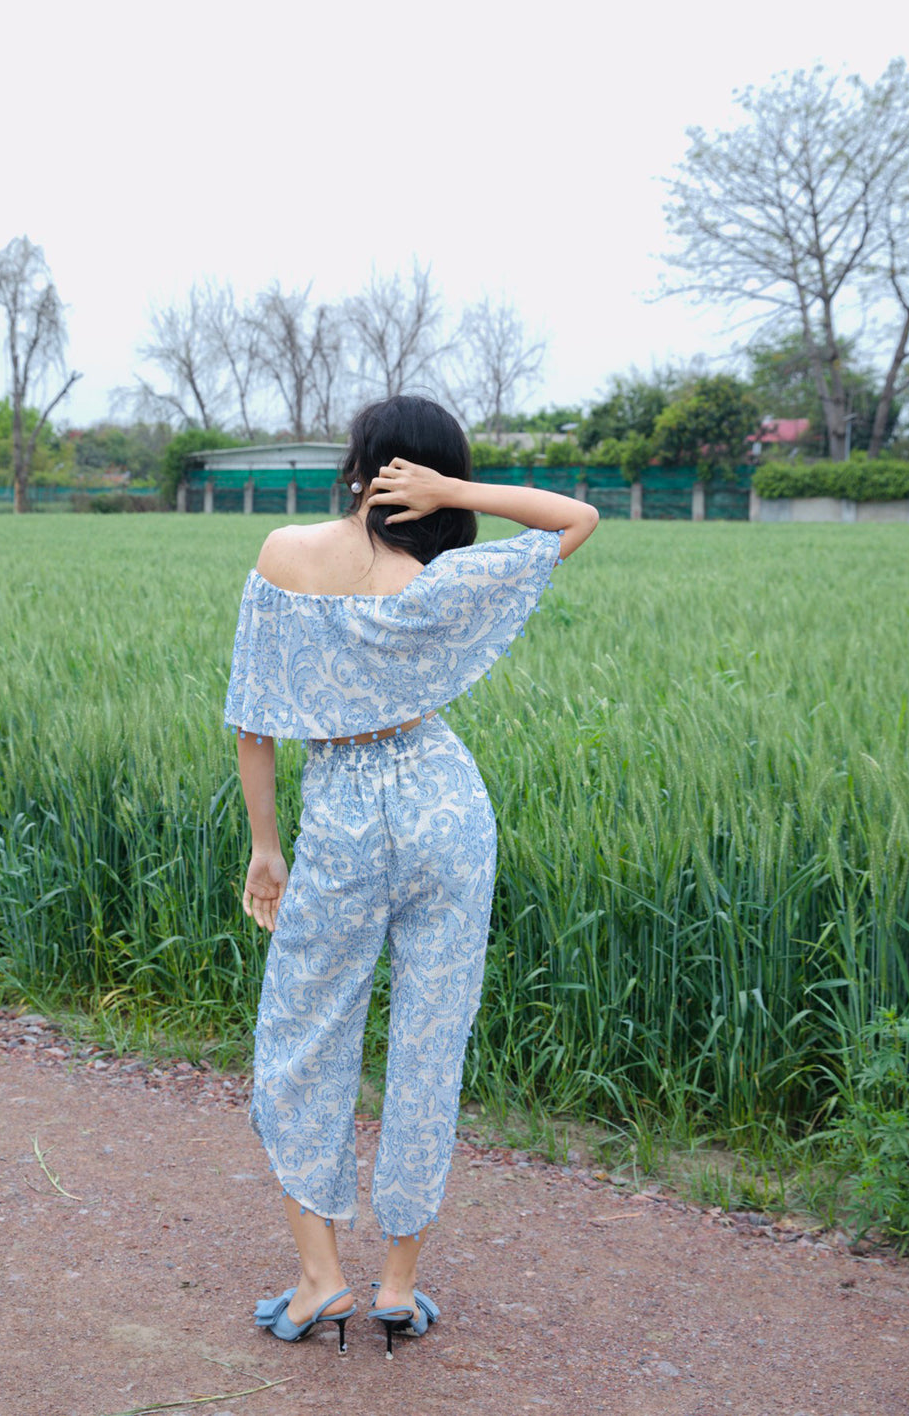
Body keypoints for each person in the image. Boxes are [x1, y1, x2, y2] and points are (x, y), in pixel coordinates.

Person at [224, 395, 599, 1358]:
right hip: (444, 806)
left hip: (344, 814)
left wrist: (267, 848)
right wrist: (456, 492)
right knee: (432, 1039)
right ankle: (397, 1285)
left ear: (357, 463)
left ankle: (321, 1279)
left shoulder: (283, 554)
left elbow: (253, 718)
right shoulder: (440, 580)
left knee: (304, 1034)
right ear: (426, 477)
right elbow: (577, 518)